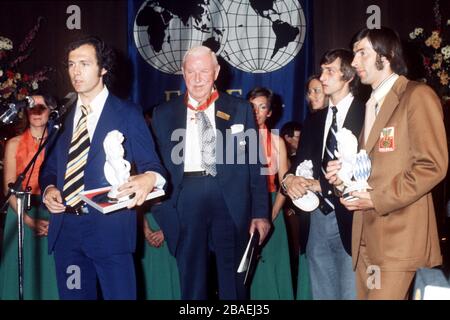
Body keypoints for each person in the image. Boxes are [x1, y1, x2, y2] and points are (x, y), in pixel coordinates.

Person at [39, 36, 166, 300]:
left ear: (103, 68)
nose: (76, 71)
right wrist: (49, 188)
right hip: (67, 232)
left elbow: (154, 167)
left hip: (110, 231)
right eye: (72, 64)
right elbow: (49, 168)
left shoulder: (127, 113)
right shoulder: (61, 116)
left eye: (84, 64)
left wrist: (147, 179)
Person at [326, 27, 448, 300]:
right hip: (367, 242)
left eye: (362, 54)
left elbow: (432, 166)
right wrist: (342, 179)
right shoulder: (370, 105)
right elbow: (368, 171)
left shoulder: (417, 96)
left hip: (399, 242)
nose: (354, 62)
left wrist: (376, 199)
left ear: (388, 54)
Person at [151, 46, 271, 300]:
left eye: (203, 71)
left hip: (229, 200)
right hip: (185, 198)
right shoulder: (163, 113)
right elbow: (155, 165)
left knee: (234, 283)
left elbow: (255, 164)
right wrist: (160, 208)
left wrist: (260, 212)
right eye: (190, 72)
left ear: (216, 72)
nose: (197, 78)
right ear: (183, 74)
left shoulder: (240, 108)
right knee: (192, 281)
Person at [282, 48, 365, 299]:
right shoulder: (314, 121)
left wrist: (322, 186)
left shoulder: (368, 113)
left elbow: (372, 170)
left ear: (349, 76)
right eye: (322, 70)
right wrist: (289, 180)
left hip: (353, 220)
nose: (323, 76)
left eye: (330, 71)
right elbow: (299, 168)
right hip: (316, 220)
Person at [0, 95, 59, 299]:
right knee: (22, 275)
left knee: (50, 274)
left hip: (51, 211)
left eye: (42, 108)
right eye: (33, 108)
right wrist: (28, 220)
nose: (36, 112)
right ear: (26, 111)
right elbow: (8, 189)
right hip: (20, 213)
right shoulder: (14, 144)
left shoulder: (59, 143)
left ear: (51, 111)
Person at [247, 87, 293, 300]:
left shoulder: (277, 142)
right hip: (244, 210)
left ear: (270, 112)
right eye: (252, 106)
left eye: (262, 107)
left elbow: (285, 183)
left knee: (273, 266)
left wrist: (272, 214)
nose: (257, 112)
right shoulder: (235, 140)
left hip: (272, 205)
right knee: (247, 270)